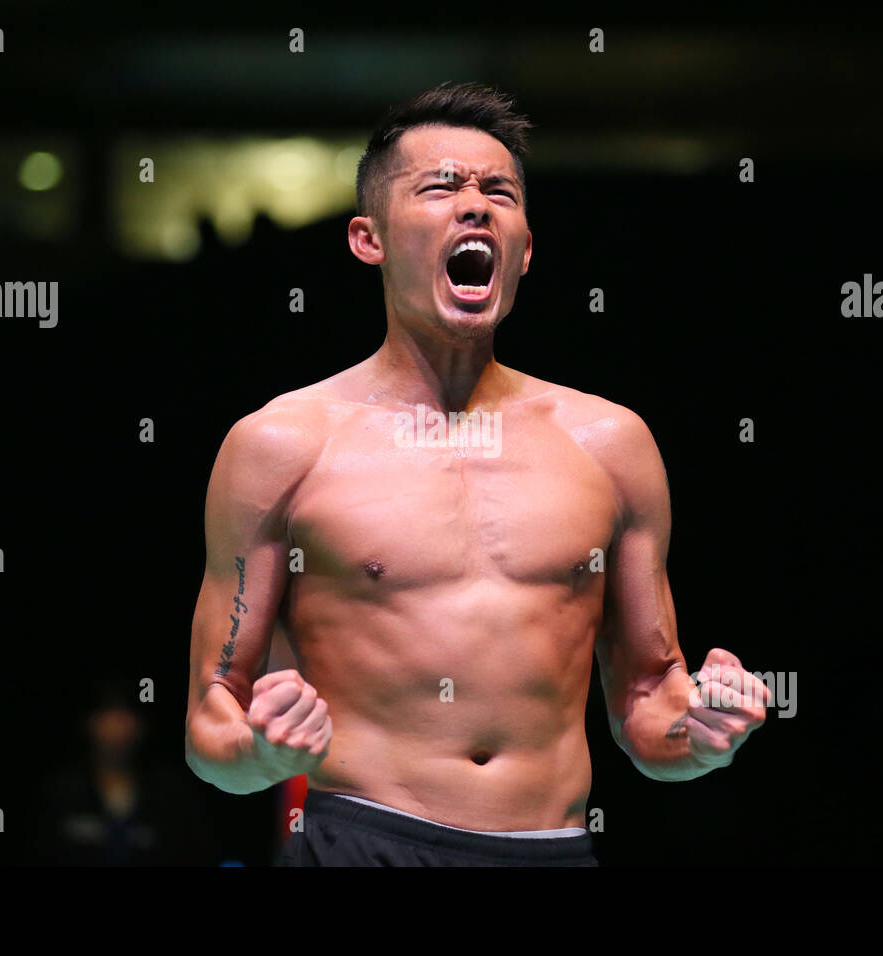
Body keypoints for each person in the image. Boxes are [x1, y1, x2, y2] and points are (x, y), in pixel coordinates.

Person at [184, 82, 769, 866]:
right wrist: (259, 752)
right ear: (369, 238)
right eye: (440, 187)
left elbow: (648, 703)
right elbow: (209, 722)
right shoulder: (281, 445)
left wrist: (702, 735)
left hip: (551, 851)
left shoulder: (610, 443)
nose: (475, 206)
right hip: (363, 844)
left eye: (499, 192)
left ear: (525, 248)